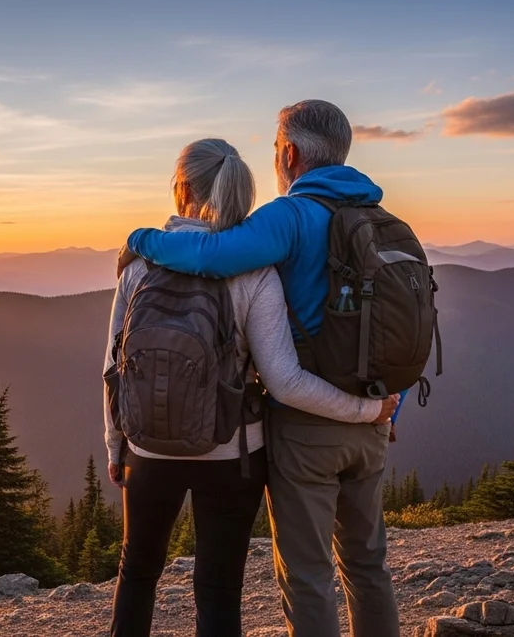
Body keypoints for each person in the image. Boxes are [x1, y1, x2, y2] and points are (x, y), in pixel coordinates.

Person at [124, 101, 400, 637]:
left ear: (290, 153)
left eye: (276, 149)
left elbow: (213, 255)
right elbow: (398, 326)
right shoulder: (381, 219)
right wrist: (384, 406)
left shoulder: (290, 215)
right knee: (368, 568)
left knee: (309, 577)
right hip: (374, 421)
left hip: (306, 430)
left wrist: (142, 242)